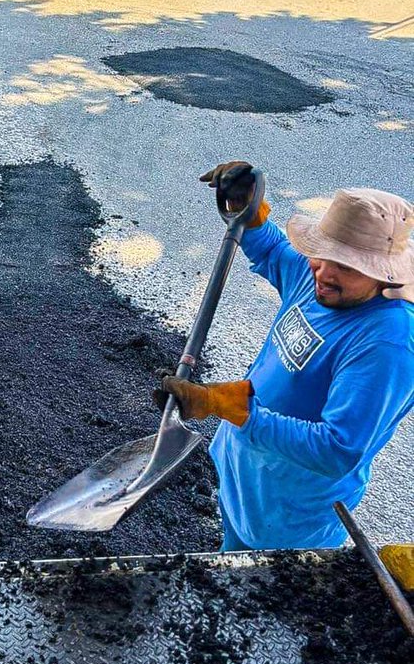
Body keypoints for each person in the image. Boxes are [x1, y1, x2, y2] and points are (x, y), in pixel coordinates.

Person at [158, 161, 414, 551]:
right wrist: (251, 217)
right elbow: (277, 251)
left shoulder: (386, 345)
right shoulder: (320, 282)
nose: (323, 272)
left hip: (291, 515)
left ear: (384, 273)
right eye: (321, 253)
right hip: (247, 478)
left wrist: (233, 408)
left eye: (345, 266)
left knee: (258, 597)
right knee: (231, 556)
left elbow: (337, 449)